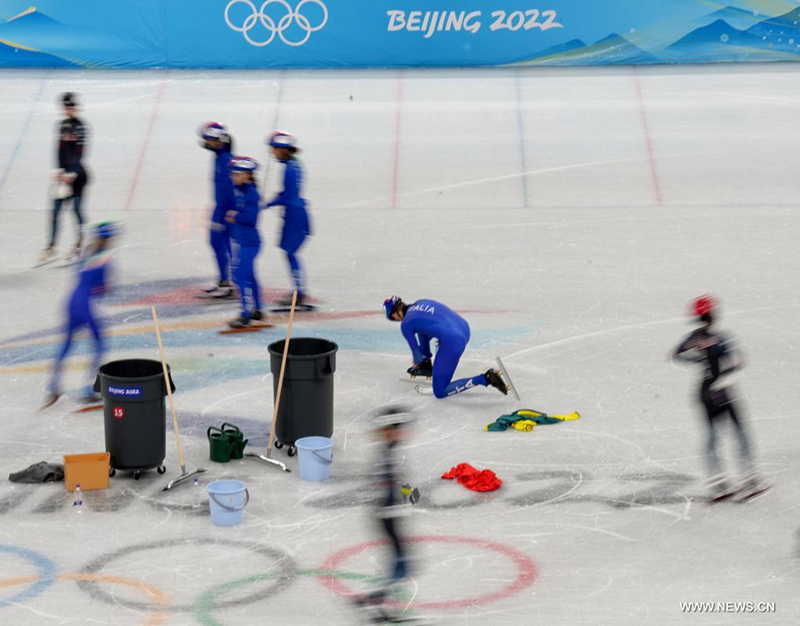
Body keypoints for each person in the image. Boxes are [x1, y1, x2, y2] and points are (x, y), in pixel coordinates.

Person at [672, 295, 766, 500]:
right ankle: (750, 478)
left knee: (713, 435)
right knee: (740, 432)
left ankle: (718, 482)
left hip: (704, 391)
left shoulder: (694, 337)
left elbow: (677, 354)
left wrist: (699, 360)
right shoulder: (721, 338)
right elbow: (738, 361)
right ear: (713, 315)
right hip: (722, 389)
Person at [44, 220, 121, 408]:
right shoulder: (106, 261)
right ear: (108, 238)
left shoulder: (86, 252)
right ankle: (89, 389)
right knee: (100, 344)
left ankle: (53, 385)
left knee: (67, 344)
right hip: (85, 306)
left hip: (70, 302)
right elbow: (102, 288)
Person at [355, 405, 420, 624]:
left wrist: (410, 496)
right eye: (399, 428)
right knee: (401, 563)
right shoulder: (388, 455)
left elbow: (399, 480)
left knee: (400, 561)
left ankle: (375, 597)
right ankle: (377, 603)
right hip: (387, 516)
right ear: (389, 431)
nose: (403, 432)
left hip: (387, 515)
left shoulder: (390, 452)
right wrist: (402, 503)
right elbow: (389, 483)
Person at [384, 296, 508, 399]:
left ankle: (485, 378)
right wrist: (426, 357)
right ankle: (435, 365)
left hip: (452, 342)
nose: (395, 321)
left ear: (394, 314)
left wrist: (418, 362)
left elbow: (417, 357)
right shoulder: (420, 302)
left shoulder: (406, 324)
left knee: (440, 392)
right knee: (433, 332)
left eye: (393, 319)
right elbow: (423, 331)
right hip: (464, 329)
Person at [39, 92, 91, 264]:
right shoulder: (61, 126)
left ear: (76, 108)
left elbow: (80, 153)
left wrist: (71, 173)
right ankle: (51, 246)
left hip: (78, 177)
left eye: (71, 106)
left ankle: (79, 245)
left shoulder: (81, 127)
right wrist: (58, 170)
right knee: (55, 212)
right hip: (63, 176)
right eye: (66, 107)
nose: (68, 109)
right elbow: (59, 150)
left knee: (76, 210)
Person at [265, 131, 312, 307]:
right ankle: (299, 290)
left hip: (294, 216)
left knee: (291, 254)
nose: (272, 153)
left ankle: (300, 292)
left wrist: (267, 204)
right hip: (295, 213)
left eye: (274, 149)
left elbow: (288, 196)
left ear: (282, 149)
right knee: (290, 254)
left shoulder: (290, 168)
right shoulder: (293, 164)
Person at [198, 122, 236, 299]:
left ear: (219, 140)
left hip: (225, 211)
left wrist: (228, 213)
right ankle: (223, 280)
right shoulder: (219, 158)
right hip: (219, 208)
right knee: (216, 244)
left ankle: (228, 283)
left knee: (222, 245)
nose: (205, 142)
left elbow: (231, 190)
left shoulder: (226, 160)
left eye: (209, 139)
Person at [226, 157, 264, 328]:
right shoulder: (240, 189)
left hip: (250, 243)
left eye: (236, 174)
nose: (232, 177)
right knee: (249, 276)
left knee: (240, 276)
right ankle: (258, 310)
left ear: (247, 176)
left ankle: (246, 313)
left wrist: (235, 216)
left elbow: (251, 218)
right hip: (243, 241)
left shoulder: (251, 193)